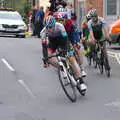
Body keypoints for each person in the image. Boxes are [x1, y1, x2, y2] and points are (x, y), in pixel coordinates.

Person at [40, 15, 87, 91]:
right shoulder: (43, 32)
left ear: (54, 24)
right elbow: (44, 47)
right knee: (48, 57)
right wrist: (45, 59)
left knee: (71, 58)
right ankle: (62, 68)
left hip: (63, 40)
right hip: (53, 43)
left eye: (50, 27)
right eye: (47, 27)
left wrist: (66, 51)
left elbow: (66, 40)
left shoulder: (60, 26)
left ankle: (81, 81)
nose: (48, 29)